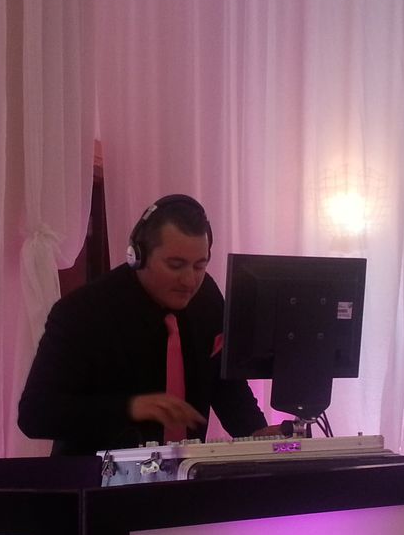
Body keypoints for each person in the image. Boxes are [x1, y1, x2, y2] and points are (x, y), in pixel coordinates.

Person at [18, 194, 272, 455]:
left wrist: (256, 433)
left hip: (183, 472)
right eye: (175, 265)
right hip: (97, 475)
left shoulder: (207, 297)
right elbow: (35, 414)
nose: (189, 280)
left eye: (199, 266)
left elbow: (225, 385)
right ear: (137, 256)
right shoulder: (82, 312)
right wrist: (130, 408)